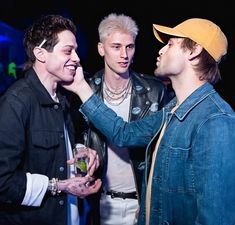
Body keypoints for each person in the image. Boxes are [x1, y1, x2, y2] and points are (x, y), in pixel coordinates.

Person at [62, 18, 235, 225]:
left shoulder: (215, 121)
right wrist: (81, 87)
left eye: (170, 44)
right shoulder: (172, 111)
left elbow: (216, 218)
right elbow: (123, 133)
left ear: (194, 51)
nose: (161, 51)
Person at [0, 14, 101, 225]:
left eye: (76, 50)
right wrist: (60, 186)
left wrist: (80, 150)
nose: (77, 58)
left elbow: (58, 149)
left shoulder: (64, 99)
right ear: (40, 54)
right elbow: (3, 181)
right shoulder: (16, 102)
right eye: (67, 51)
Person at [75, 13, 172, 225]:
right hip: (99, 203)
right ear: (101, 49)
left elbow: (164, 151)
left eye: (130, 46)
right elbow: (76, 138)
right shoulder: (85, 90)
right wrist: (81, 151)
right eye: (116, 47)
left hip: (141, 203)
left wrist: (150, 202)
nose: (124, 54)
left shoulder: (154, 90)